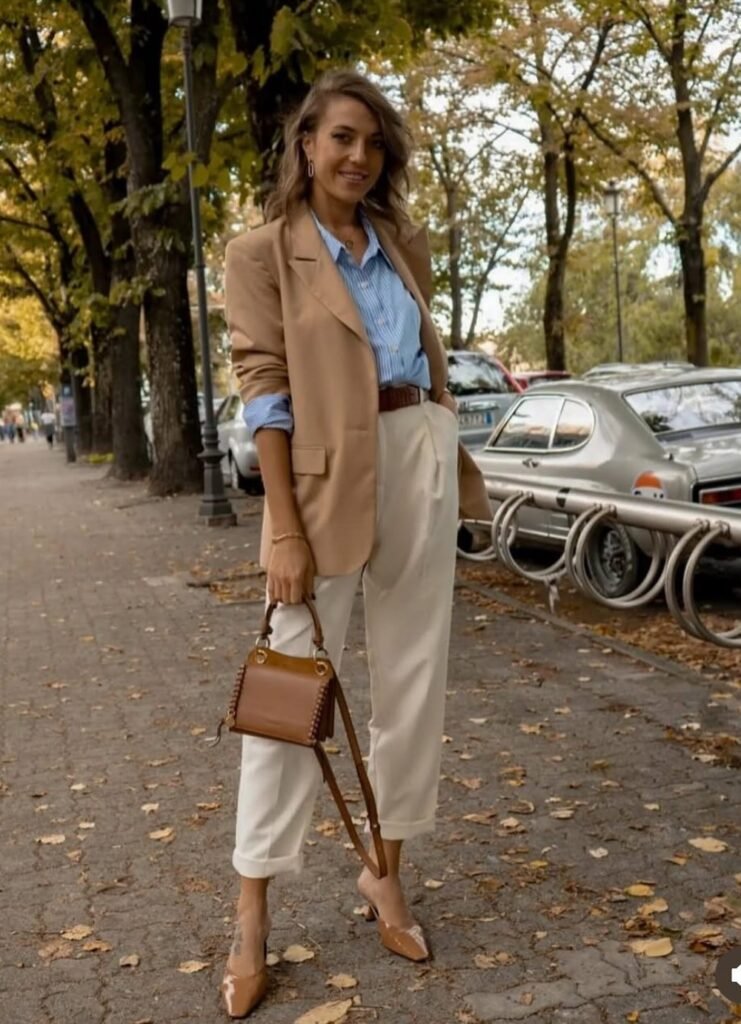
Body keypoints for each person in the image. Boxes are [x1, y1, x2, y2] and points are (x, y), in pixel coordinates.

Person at [222, 69, 490, 1019]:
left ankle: (386, 871)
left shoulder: (400, 242)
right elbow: (263, 385)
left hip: (416, 449)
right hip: (324, 482)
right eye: (340, 137)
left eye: (372, 142)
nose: (356, 156)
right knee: (288, 694)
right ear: (304, 144)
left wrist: (453, 469)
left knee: (415, 679)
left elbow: (427, 363)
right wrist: (281, 522)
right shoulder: (261, 252)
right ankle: (252, 909)